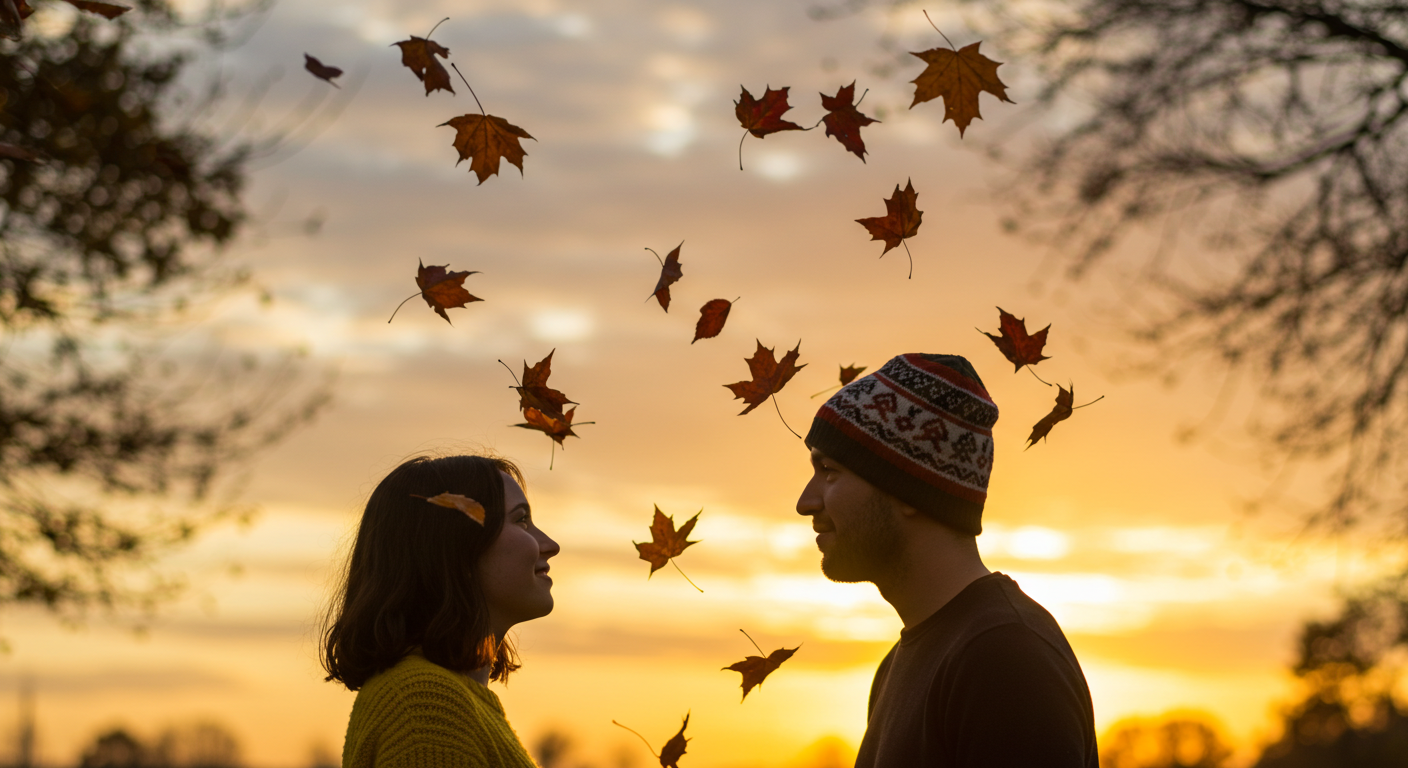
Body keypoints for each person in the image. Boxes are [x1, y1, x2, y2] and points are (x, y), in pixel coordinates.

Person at [796, 353, 1098, 767]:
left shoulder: (1004, 660)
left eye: (829, 470)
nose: (805, 502)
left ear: (908, 487)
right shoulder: (902, 664)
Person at [321, 453, 559, 767]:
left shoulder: (449, 701)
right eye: (521, 520)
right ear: (456, 547)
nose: (550, 544)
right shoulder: (426, 707)